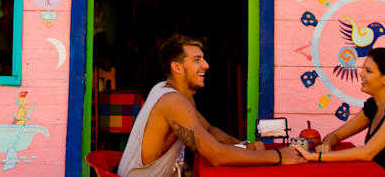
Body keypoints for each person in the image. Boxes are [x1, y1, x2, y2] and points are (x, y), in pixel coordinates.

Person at [117, 34, 304, 176]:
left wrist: (243, 144)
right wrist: (279, 156)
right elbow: (216, 156)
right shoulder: (172, 101)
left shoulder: (174, 93)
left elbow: (209, 129)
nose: (206, 65)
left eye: (203, 59)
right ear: (177, 67)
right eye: (197, 60)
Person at [291, 47, 385, 177]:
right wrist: (326, 145)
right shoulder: (374, 107)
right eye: (363, 69)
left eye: (368, 71)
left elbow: (368, 153)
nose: (361, 74)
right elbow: (335, 135)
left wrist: (315, 156)